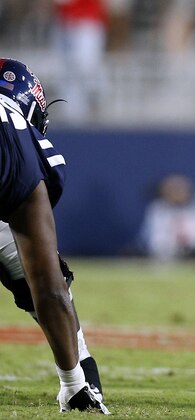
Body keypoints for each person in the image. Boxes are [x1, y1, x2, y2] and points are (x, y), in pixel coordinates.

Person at [0, 58, 109, 413]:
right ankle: (81, 379)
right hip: (10, 164)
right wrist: (74, 385)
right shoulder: (17, 140)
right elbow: (48, 285)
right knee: (41, 274)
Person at [138, 174, 195, 261]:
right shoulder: (158, 209)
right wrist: (176, 249)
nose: (177, 193)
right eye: (172, 189)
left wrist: (193, 248)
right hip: (167, 260)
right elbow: (153, 241)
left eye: (180, 189)